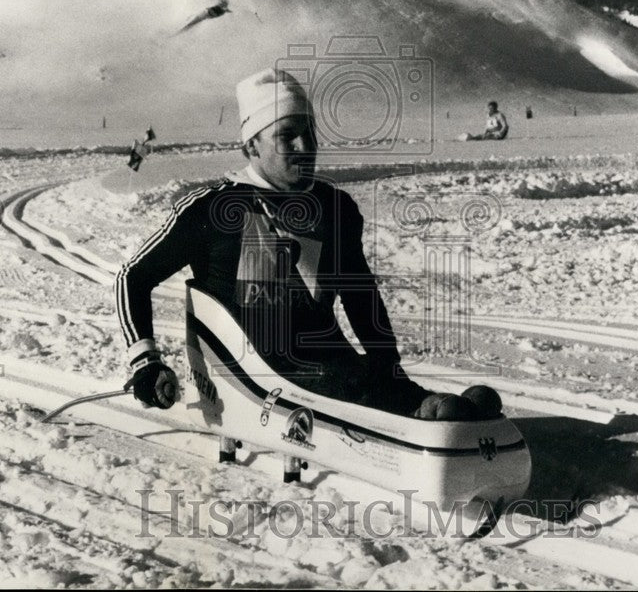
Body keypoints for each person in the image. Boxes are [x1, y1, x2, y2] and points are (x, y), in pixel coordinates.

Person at [115, 68, 501, 421]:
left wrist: (388, 366)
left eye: (309, 132)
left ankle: (418, 408)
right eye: (287, 136)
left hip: (333, 371)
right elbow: (133, 276)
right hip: (252, 379)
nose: (305, 145)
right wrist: (145, 362)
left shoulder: (334, 208)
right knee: (372, 394)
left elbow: (360, 293)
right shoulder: (211, 208)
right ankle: (419, 412)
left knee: (389, 392)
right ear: (251, 147)